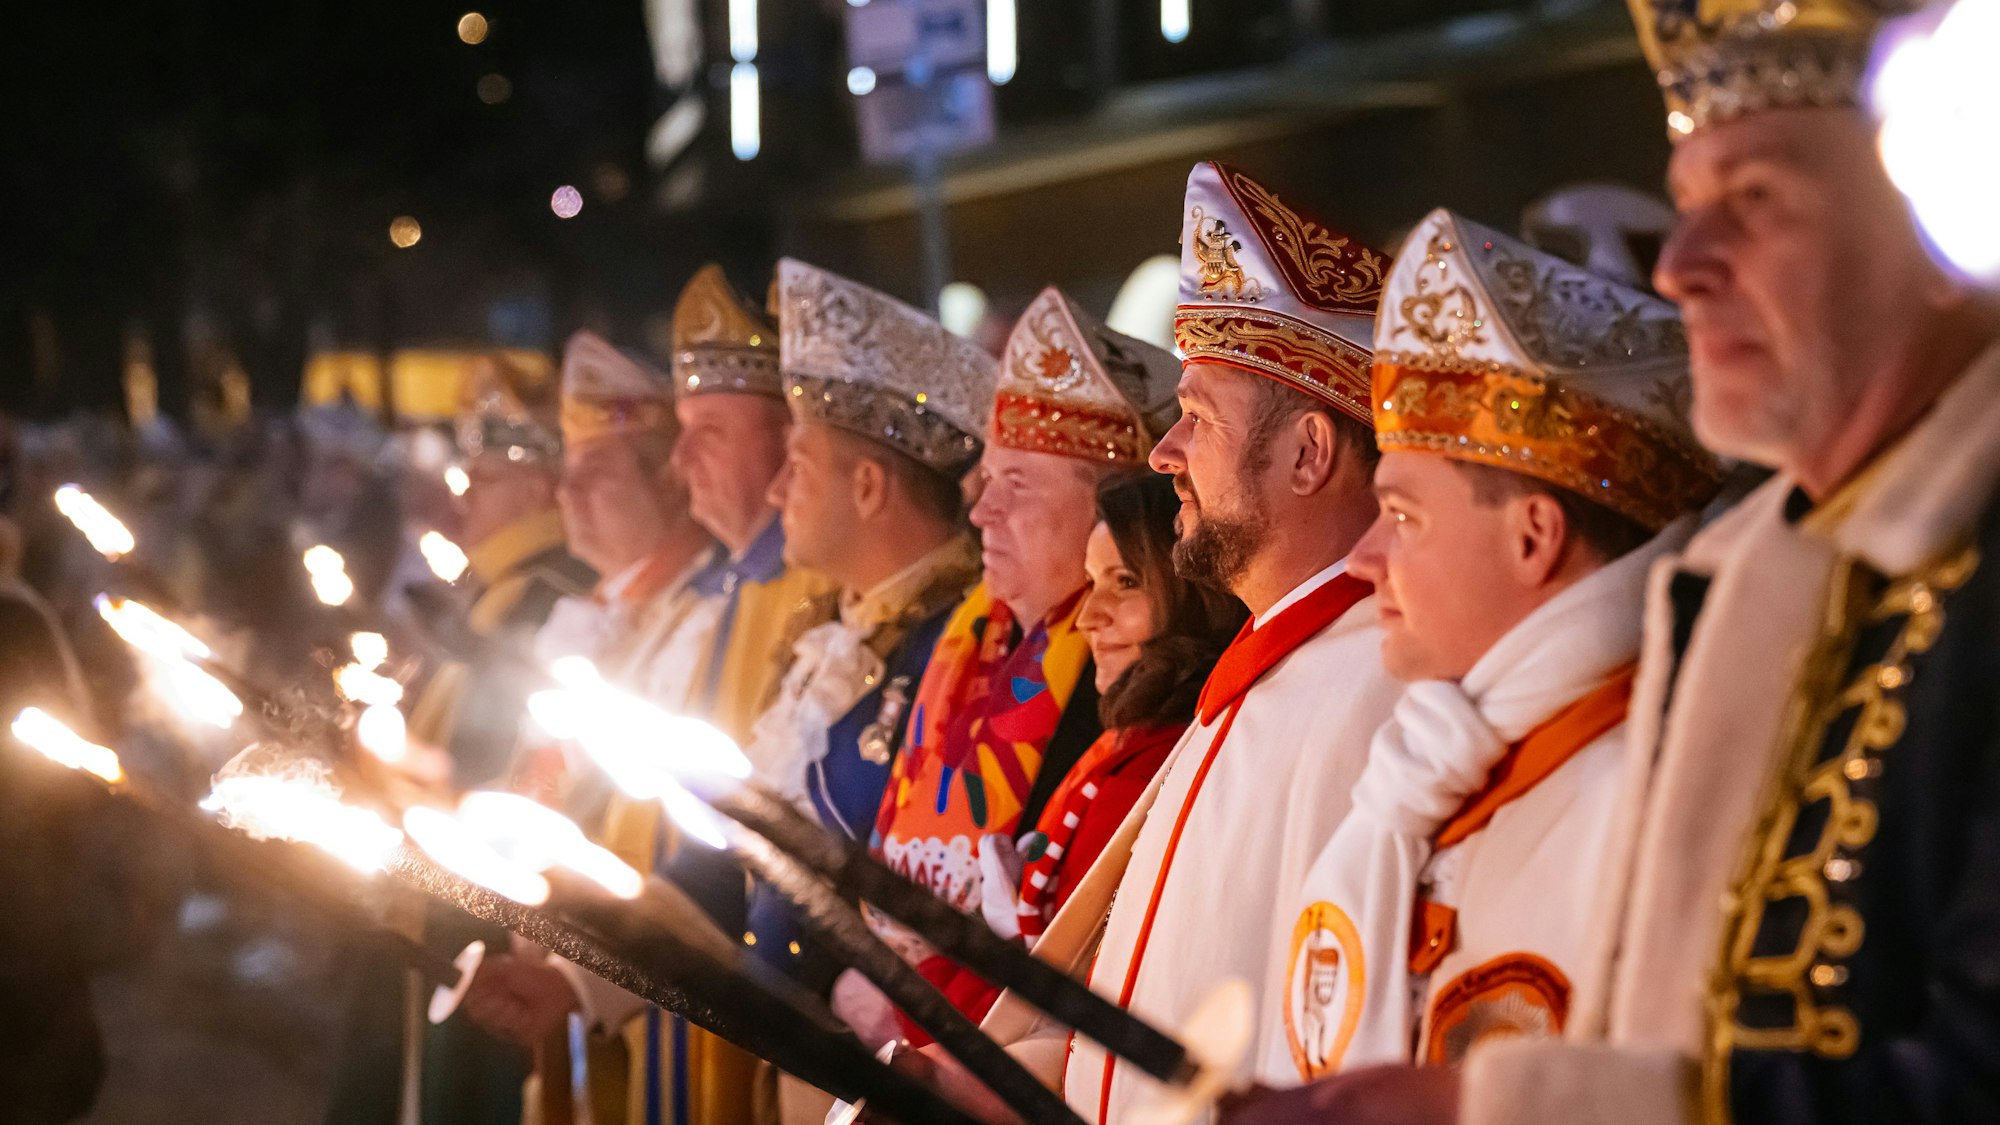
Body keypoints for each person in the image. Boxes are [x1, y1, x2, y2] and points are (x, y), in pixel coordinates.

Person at [1276, 3, 2000, 1123]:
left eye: (1754, 202)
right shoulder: (1740, 593)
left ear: (1941, 218)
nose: (1683, 266)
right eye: (1686, 208)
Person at [1215, 210, 1723, 1122]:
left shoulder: (1650, 797)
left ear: (1534, 537)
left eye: (1402, 517)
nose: (1367, 562)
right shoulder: (1430, 770)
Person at [861, 284, 1182, 1042]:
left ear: (1114, 505)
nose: (980, 510)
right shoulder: (976, 643)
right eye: (985, 479)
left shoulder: (1138, 677)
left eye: (1016, 483)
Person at [736, 259, 992, 1122]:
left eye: (798, 464)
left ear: (870, 485)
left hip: (877, 1077)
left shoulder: (960, 649)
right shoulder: (826, 641)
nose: (776, 491)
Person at [959, 470, 1247, 1005]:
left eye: (1126, 582)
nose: (1090, 617)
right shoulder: (1130, 740)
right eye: (1092, 583)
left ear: (1192, 594)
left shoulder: (1151, 768)